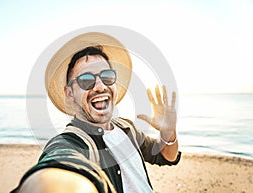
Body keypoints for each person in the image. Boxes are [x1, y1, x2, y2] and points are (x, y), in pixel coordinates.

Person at [11, 32, 181, 193]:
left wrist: (168, 133)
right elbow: (59, 165)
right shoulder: (71, 142)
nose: (100, 86)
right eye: (86, 80)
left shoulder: (126, 127)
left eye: (106, 76)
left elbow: (166, 157)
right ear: (69, 93)